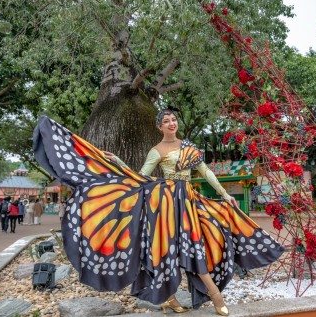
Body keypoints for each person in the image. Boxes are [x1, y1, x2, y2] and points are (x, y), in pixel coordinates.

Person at [33, 113, 283, 316]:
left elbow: (205, 172)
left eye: (173, 120)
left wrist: (224, 194)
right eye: (166, 121)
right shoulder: (157, 150)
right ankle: (174, 298)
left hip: (189, 199)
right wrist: (119, 162)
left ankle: (214, 295)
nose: (171, 124)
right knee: (168, 249)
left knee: (201, 241)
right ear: (159, 126)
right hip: (166, 202)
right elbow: (142, 177)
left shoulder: (189, 148)